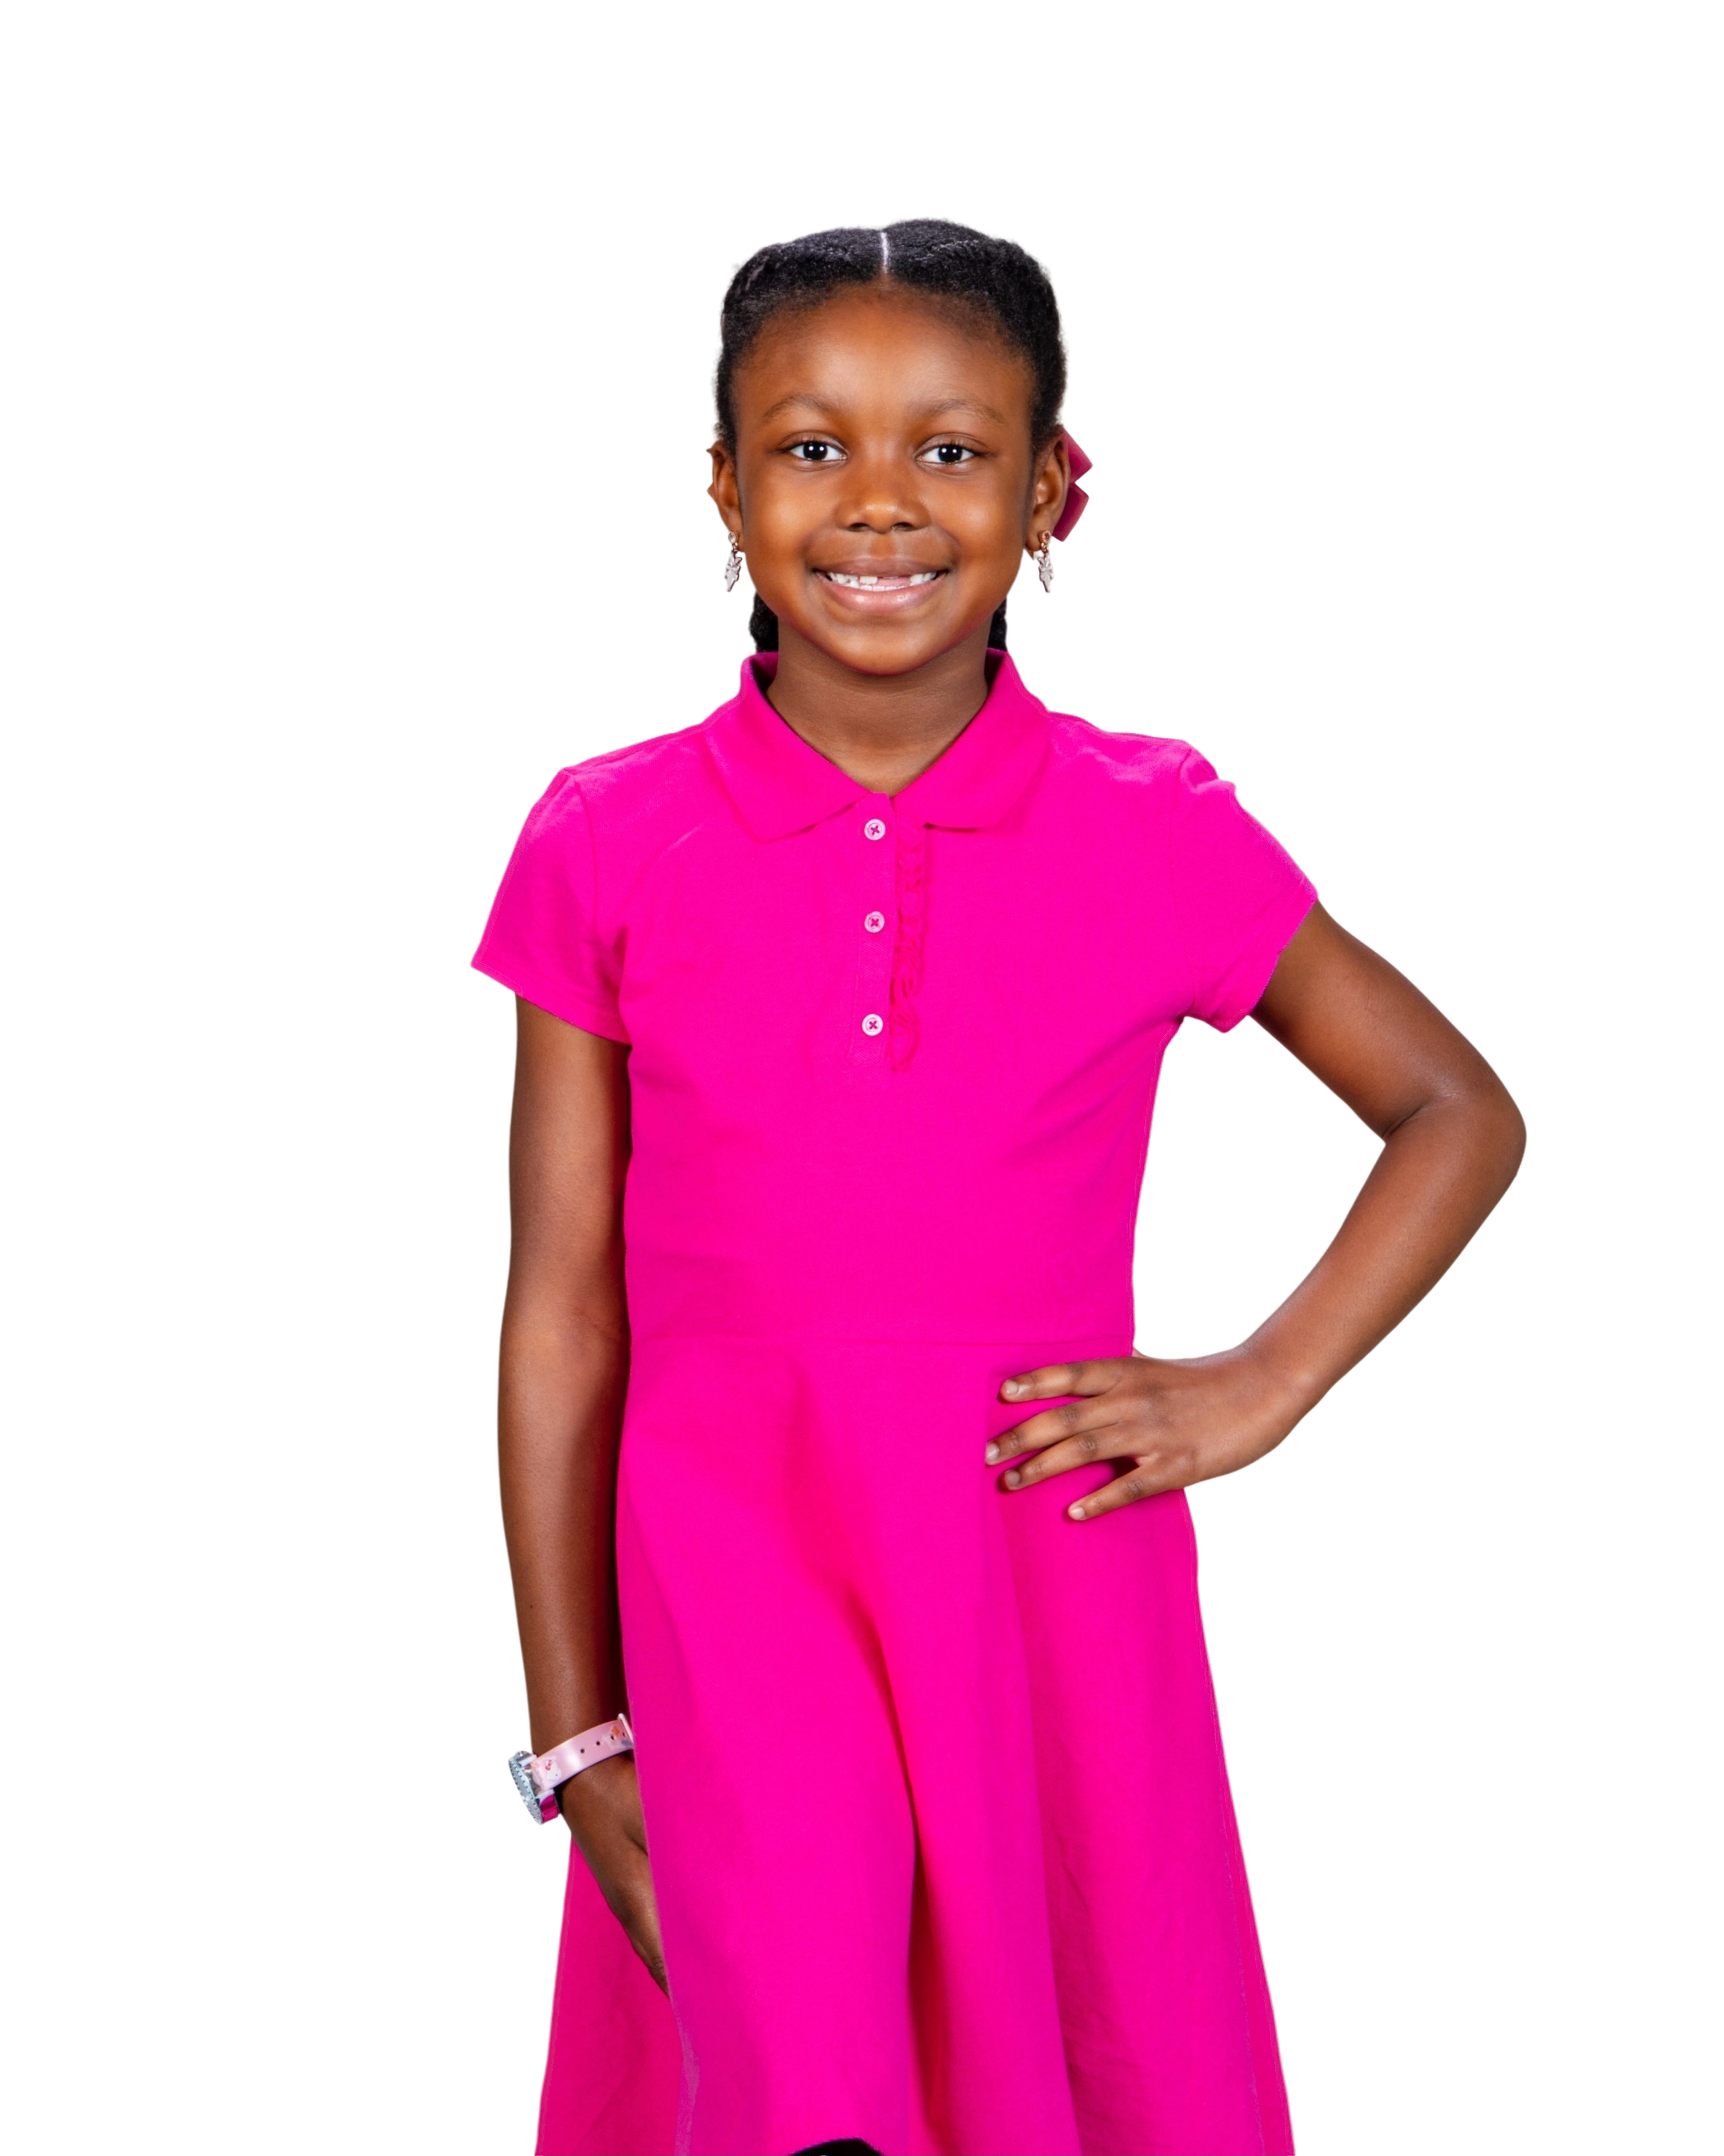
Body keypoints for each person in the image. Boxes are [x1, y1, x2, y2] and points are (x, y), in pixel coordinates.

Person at [468, 216, 1529, 2156]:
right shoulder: (604, 837)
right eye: (812, 444)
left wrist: (1257, 1382)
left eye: (951, 448)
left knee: (1100, 2053)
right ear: (721, 484)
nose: (880, 501)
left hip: (1046, 1570)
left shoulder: (1158, 825)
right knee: (793, 2073)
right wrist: (572, 1726)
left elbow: (1457, 1106)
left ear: (1054, 489)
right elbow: (560, 1309)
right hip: (730, 1587)